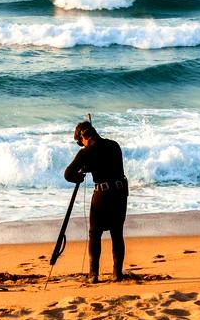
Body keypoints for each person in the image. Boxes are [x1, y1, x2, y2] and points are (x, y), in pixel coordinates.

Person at [64, 120, 128, 283]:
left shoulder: (86, 153)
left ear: (83, 137)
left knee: (94, 233)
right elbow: (108, 165)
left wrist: (79, 175)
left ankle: (93, 275)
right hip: (120, 192)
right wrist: (90, 166)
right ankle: (117, 274)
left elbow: (68, 174)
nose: (81, 145)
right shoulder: (114, 145)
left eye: (80, 142)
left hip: (103, 194)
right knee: (117, 233)